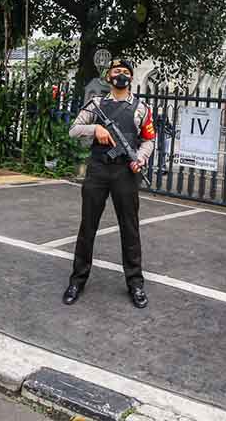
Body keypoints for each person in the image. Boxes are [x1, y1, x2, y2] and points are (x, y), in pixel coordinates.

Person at [63, 58, 156, 308]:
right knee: (88, 226)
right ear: (108, 77)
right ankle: (77, 280)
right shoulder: (96, 105)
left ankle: (135, 283)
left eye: (126, 72)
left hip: (125, 172)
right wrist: (96, 129)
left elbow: (149, 140)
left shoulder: (141, 108)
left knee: (130, 228)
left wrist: (141, 159)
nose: (121, 75)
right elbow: (73, 130)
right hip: (98, 170)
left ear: (131, 77)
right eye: (117, 71)